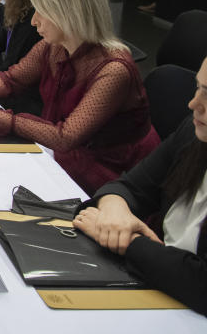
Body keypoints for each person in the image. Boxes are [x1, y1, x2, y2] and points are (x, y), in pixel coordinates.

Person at [0, 0, 159, 195]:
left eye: (41, 12)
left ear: (68, 15)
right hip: (63, 154)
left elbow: (65, 136)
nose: (33, 21)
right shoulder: (53, 47)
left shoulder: (113, 70)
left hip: (111, 176)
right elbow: (11, 79)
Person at [72, 55, 207, 316]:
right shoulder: (192, 134)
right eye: (198, 88)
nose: (193, 104)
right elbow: (131, 186)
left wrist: (126, 241)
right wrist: (114, 214)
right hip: (162, 286)